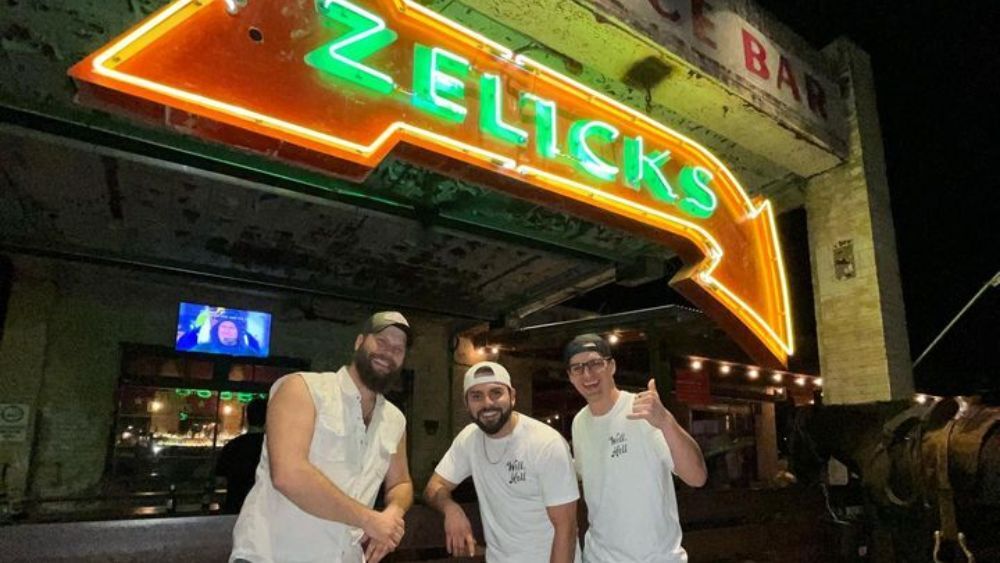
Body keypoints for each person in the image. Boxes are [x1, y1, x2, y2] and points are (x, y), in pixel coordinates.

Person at [230, 311, 415, 563]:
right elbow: (288, 475)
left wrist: (392, 515)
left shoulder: (395, 420)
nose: (388, 352)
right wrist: (370, 520)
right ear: (359, 342)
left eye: (398, 349)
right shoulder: (302, 388)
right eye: (381, 342)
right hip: (273, 555)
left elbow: (401, 483)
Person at [564, 334, 707, 563]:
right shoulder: (579, 423)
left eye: (595, 364)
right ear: (570, 377)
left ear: (611, 366)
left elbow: (697, 477)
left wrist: (666, 421)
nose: (588, 375)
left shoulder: (643, 410)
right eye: (578, 368)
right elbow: (583, 475)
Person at [424, 361, 580, 563]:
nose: (487, 403)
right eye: (476, 396)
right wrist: (451, 509)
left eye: (496, 393)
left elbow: (566, 528)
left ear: (512, 396)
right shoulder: (469, 439)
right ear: (467, 403)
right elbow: (433, 487)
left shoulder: (545, 442)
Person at [215, 399, 267, 514]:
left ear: (247, 418)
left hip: (235, 507)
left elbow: (219, 479)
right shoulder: (272, 448)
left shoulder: (232, 446)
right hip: (263, 510)